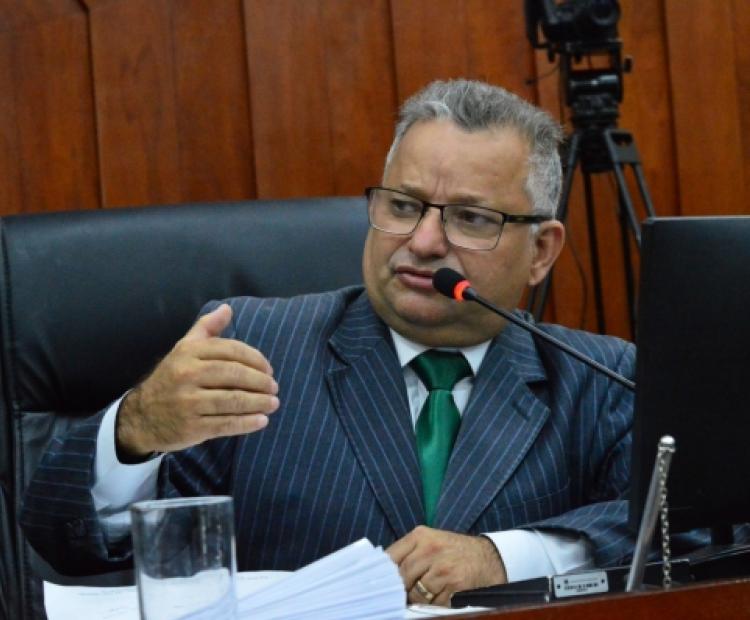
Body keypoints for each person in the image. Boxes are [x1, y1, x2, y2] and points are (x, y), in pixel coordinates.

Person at [21, 79, 634, 606]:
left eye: (471, 218)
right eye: (403, 206)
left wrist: (508, 558)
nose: (423, 242)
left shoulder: (600, 379)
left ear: (542, 251)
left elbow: (672, 527)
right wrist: (137, 429)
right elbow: (60, 535)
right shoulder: (255, 346)